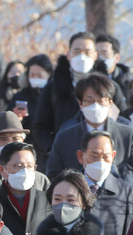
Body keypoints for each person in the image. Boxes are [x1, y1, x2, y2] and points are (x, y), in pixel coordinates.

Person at [44, 74, 133, 198]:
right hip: (76, 203)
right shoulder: (65, 137)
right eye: (89, 101)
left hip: (117, 203)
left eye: (101, 100)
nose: (95, 105)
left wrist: (117, 184)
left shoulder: (128, 135)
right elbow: (53, 174)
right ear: (80, 103)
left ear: (110, 103)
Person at [31, 31, 125, 159]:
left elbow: (123, 121)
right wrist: (53, 149)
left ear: (96, 55)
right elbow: (40, 126)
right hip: (64, 157)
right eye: (77, 51)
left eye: (87, 52)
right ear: (68, 55)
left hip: (103, 157)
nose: (82, 56)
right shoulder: (54, 87)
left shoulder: (111, 87)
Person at [74, 129, 133, 235]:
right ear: (81, 156)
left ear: (113, 156)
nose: (100, 162)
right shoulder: (68, 188)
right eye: (94, 156)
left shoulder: (125, 192)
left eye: (106, 156)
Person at [0, 142, 52, 235]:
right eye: (18, 166)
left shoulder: (46, 199)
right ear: (2, 170)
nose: (25, 172)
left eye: (30, 166)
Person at [0, 111, 48, 195]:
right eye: (3, 139)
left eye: (15, 138)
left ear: (22, 140)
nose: (10, 143)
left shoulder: (40, 180)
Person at [6, 54, 53, 136]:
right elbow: (7, 125)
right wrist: (15, 118)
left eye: (40, 75)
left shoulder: (55, 96)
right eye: (32, 75)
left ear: (49, 75)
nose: (35, 78)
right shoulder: (19, 97)